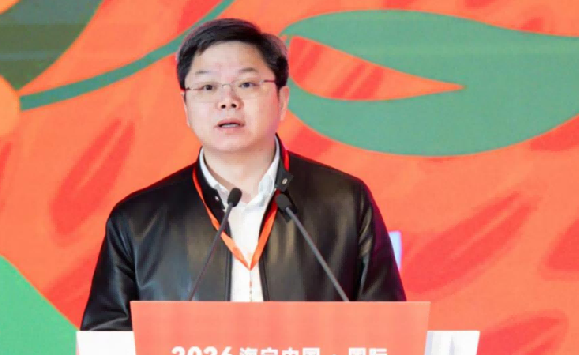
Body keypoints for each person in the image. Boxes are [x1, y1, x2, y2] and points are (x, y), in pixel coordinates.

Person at [81, 18, 405, 331]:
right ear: (186, 106)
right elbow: (106, 346)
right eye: (208, 87)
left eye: (247, 84)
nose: (228, 101)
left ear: (282, 99)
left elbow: (389, 333)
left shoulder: (343, 201)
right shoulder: (138, 221)